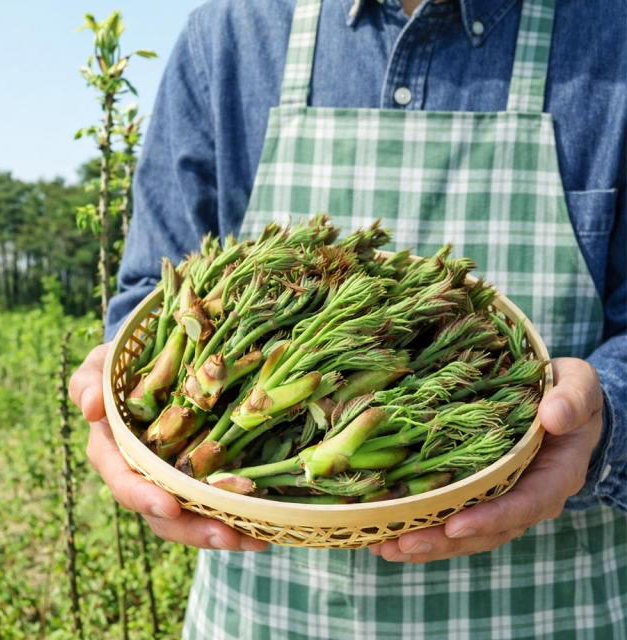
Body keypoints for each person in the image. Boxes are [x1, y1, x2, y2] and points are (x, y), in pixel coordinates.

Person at [69, 0, 626, 637]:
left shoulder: (612, 34)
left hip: (545, 605)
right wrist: (124, 415)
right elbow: (152, 288)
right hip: (262, 612)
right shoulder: (228, 35)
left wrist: (605, 418)